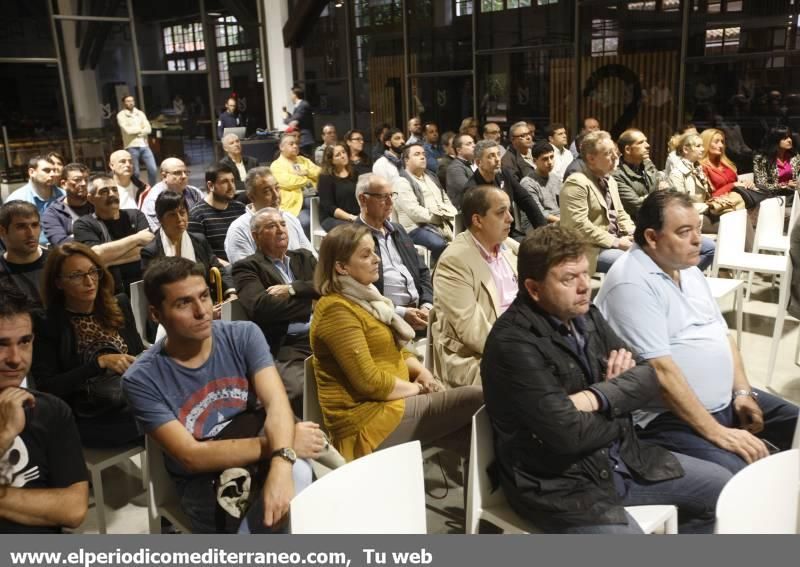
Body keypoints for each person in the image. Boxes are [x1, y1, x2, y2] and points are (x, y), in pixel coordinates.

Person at [482, 224, 730, 534]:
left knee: (722, 490)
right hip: (559, 485)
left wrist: (595, 398)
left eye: (585, 273)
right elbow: (567, 435)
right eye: (569, 279)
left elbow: (647, 375)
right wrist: (620, 402)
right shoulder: (513, 344)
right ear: (533, 289)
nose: (584, 286)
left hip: (623, 457)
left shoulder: (587, 314)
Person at [596, 190, 799, 474]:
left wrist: (741, 391)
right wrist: (718, 432)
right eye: (684, 232)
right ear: (652, 238)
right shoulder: (631, 283)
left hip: (724, 400)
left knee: (797, 423)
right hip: (667, 417)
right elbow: (661, 373)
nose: (698, 240)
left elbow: (722, 334)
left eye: (698, 230)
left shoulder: (685, 268)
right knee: (741, 474)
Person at [123, 257, 320, 533]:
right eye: (183, 303)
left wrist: (280, 462)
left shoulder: (243, 335)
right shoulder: (142, 378)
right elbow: (192, 456)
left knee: (308, 496)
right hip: (205, 482)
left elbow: (277, 403)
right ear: (156, 314)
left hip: (265, 453)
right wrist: (283, 447)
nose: (202, 311)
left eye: (204, 296)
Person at [310, 223, 483, 461]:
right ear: (341, 267)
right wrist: (417, 390)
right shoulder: (335, 310)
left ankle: (487, 494)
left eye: (374, 251)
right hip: (366, 420)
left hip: (392, 405)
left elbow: (396, 349)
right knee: (480, 398)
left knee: (474, 432)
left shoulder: (367, 299)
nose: (377, 259)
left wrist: (422, 372)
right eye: (366, 254)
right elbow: (368, 382)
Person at [31, 243, 142, 448]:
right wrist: (99, 363)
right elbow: (48, 387)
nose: (89, 281)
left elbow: (137, 352)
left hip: (130, 399)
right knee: (160, 420)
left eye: (93, 272)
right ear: (58, 283)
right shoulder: (47, 322)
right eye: (76, 275)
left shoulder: (118, 305)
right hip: (87, 415)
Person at [0, 283, 89, 533]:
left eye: (24, 341)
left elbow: (73, 509)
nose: (15, 358)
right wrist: (5, 435)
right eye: (1, 344)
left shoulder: (51, 411)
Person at [233, 208, 318, 417]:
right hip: (286, 344)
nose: (280, 230)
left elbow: (328, 286)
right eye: (271, 226)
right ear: (256, 236)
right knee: (299, 391)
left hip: (322, 333)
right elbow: (262, 307)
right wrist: (312, 303)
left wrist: (293, 289)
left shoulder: (304, 257)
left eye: (282, 224)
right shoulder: (247, 267)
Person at [432, 185, 518, 388]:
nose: (510, 218)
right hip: (474, 357)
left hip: (517, 340)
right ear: (477, 220)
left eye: (509, 211)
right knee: (533, 380)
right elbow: (473, 331)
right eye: (500, 212)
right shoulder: (454, 261)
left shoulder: (510, 249)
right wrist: (523, 351)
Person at [355, 174, 433, 332]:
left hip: (420, 312)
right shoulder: (353, 238)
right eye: (383, 197)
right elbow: (357, 292)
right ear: (363, 199)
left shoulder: (398, 230)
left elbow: (422, 271)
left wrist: (427, 305)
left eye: (392, 195)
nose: (391, 202)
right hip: (383, 318)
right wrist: (401, 313)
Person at [560, 130, 635, 274]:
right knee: (632, 264)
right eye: (608, 153)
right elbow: (578, 226)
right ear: (591, 158)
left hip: (614, 242)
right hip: (590, 249)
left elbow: (620, 213)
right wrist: (616, 242)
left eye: (614, 151)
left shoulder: (611, 180)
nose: (615, 157)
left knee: (655, 255)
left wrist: (635, 233)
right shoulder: (577, 182)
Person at [141, 191, 236, 304]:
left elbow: (218, 268)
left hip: (205, 301)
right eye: (172, 214)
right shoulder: (150, 251)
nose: (179, 218)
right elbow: (155, 292)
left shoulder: (199, 240)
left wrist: (231, 293)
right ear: (160, 219)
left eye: (182, 212)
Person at [73, 174, 154, 295]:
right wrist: (137, 238)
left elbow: (149, 250)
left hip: (144, 284)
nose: (112, 194)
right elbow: (95, 255)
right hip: (111, 292)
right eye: (104, 191)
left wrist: (108, 261)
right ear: (90, 198)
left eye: (114, 190)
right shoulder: (83, 224)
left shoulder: (135, 215)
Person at [224, 167, 315, 264]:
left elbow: (311, 257)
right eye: (267, 191)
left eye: (277, 188)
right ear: (251, 197)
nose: (276, 195)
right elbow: (246, 272)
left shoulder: (290, 218)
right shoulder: (239, 229)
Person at [465, 140, 546, 238]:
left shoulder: (503, 173)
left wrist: (543, 230)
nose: (497, 159)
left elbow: (526, 200)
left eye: (498, 154)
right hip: (489, 238)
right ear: (478, 162)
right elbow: (477, 226)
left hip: (509, 232)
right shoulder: (472, 189)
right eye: (491, 156)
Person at [394, 144, 457, 262]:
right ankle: (436, 271)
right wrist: (437, 218)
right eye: (417, 154)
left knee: (464, 238)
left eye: (423, 154)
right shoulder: (401, 182)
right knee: (438, 244)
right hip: (415, 228)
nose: (422, 157)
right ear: (406, 160)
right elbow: (414, 211)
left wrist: (452, 213)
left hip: (441, 222)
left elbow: (445, 199)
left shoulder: (431, 176)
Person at [187, 164, 246, 262]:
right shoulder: (196, 215)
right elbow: (200, 254)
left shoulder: (240, 208)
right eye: (224, 182)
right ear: (210, 185)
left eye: (232, 181)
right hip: (219, 271)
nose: (231, 186)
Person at [5, 155, 65, 246]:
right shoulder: (17, 199)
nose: (53, 174)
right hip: (29, 252)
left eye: (54, 170)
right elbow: (8, 234)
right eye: (47, 170)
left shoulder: (64, 195)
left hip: (62, 248)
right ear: (32, 172)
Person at [270, 134, 321, 236]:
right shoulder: (276, 165)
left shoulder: (304, 160)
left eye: (297, 144)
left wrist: (306, 171)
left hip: (314, 196)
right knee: (306, 222)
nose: (295, 146)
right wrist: (308, 179)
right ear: (281, 147)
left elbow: (320, 174)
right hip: (295, 205)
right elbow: (287, 182)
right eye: (291, 144)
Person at [0, 202, 49, 307]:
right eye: (21, 227)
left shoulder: (58, 262)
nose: (31, 233)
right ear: (2, 231)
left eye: (35, 225)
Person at [141, 158, 204, 231]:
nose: (184, 176)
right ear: (164, 176)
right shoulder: (153, 200)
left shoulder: (195, 192)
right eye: (177, 173)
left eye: (186, 172)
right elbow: (157, 232)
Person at [41, 163, 92, 246]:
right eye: (77, 180)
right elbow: (62, 244)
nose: (83, 183)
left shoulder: (97, 204)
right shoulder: (53, 213)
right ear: (64, 184)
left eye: (86, 179)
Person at [612, 129, 658, 218]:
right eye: (641, 142)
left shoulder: (648, 164)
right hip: (635, 226)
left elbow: (669, 190)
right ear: (628, 149)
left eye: (646, 141)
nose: (647, 145)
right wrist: (660, 194)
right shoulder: (617, 175)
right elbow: (637, 206)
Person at [700, 128, 754, 198]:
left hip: (739, 201)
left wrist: (745, 183)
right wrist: (733, 185)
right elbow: (708, 197)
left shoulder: (726, 163)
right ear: (706, 143)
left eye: (722, 142)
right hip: (722, 205)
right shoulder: (702, 167)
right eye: (716, 142)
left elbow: (735, 182)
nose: (721, 145)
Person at [116, 95, 158, 185]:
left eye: (132, 101)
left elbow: (148, 129)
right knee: (136, 172)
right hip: (131, 146)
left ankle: (152, 189)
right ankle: (138, 189)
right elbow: (128, 131)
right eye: (128, 101)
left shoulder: (140, 113)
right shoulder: (121, 115)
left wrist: (138, 131)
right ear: (124, 103)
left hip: (144, 145)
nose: (130, 103)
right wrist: (141, 129)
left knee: (153, 169)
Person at [318, 143, 359, 231]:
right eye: (338, 155)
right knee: (355, 230)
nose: (343, 156)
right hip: (332, 218)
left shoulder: (354, 173)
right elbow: (329, 207)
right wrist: (351, 217)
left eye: (343, 152)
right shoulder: (325, 177)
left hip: (355, 215)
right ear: (331, 160)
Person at [519, 141, 560, 228]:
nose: (550, 162)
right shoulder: (528, 183)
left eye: (551, 157)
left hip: (557, 222)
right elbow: (538, 213)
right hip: (538, 225)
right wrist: (563, 221)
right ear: (534, 161)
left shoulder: (555, 178)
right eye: (545, 159)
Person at [753, 126, 800, 191]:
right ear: (775, 140)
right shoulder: (761, 159)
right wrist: (784, 185)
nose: (789, 140)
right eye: (785, 138)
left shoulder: (794, 156)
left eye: (790, 137)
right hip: (772, 195)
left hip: (794, 193)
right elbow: (760, 184)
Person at [500, 122, 535, 191]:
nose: (528, 137)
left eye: (529, 134)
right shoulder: (507, 160)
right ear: (512, 139)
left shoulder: (535, 151)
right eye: (522, 136)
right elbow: (515, 186)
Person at [445, 134, 476, 208]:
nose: (474, 145)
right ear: (459, 150)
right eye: (469, 144)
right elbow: (469, 190)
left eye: (473, 142)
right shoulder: (455, 168)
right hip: (462, 212)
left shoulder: (473, 163)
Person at [282, 86, 315, 157]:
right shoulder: (299, 106)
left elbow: (293, 123)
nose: (291, 97)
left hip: (304, 140)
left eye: (291, 94)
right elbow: (297, 118)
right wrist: (287, 113)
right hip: (301, 140)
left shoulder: (303, 105)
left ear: (295, 95)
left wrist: (285, 118)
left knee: (306, 161)